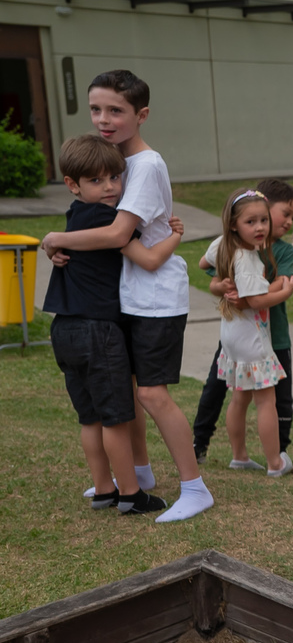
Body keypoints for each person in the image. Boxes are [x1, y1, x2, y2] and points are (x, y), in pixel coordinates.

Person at [42, 69, 214, 523]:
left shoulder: (146, 164)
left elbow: (119, 233)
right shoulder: (110, 161)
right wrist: (62, 249)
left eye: (115, 111)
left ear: (141, 115)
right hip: (126, 296)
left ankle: (195, 489)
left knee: (153, 394)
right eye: (96, 109)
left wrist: (55, 238)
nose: (103, 119)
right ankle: (137, 474)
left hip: (155, 296)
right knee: (132, 390)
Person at [43, 134, 176, 514]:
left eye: (115, 178)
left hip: (64, 330)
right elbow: (147, 257)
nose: (110, 188)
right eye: (97, 181)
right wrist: (175, 236)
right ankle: (131, 496)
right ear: (73, 184)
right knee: (116, 418)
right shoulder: (106, 219)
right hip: (97, 331)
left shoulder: (75, 216)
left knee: (91, 418)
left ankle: (104, 488)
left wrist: (54, 241)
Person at [193, 178, 293, 465]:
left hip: (231, 335)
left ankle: (239, 457)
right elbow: (253, 301)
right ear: (234, 223)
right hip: (253, 338)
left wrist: (223, 284)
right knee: (267, 400)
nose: (260, 227)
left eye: (263, 221)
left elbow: (204, 265)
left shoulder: (224, 244)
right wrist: (285, 291)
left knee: (240, 397)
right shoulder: (251, 259)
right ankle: (275, 462)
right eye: (252, 221)